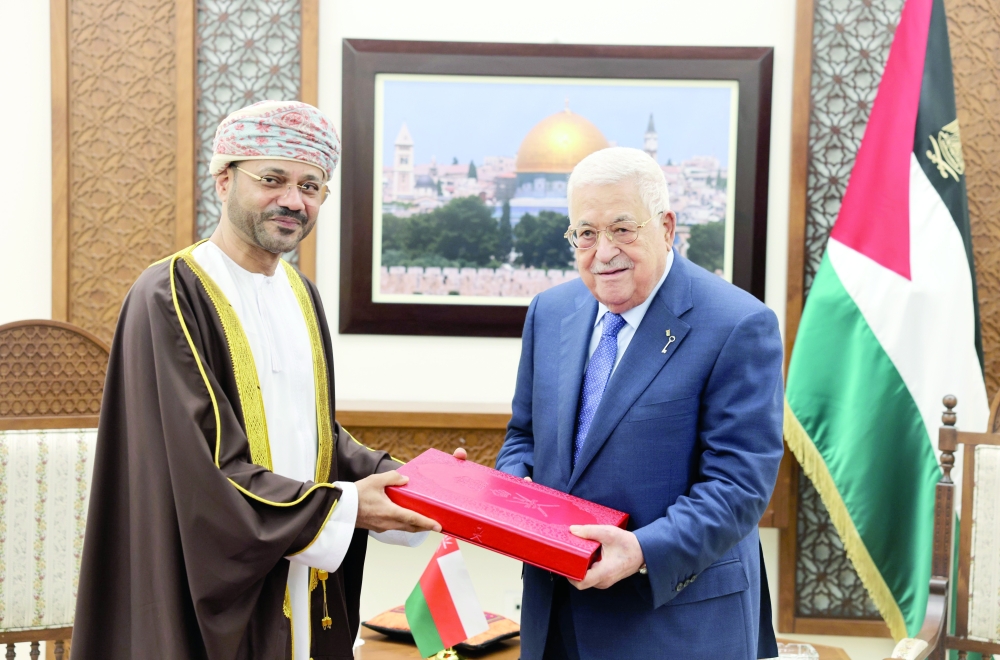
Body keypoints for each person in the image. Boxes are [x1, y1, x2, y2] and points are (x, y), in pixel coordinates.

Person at [72, 100, 450, 660]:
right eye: (272, 179)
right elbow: (202, 467)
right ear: (224, 180)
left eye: (310, 186)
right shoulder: (171, 292)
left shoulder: (300, 293)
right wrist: (343, 507)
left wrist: (413, 482)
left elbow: (313, 434)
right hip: (201, 583)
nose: (294, 201)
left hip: (297, 575)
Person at [495, 147, 783, 659]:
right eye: (586, 233)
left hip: (675, 627)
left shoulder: (738, 324)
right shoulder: (548, 311)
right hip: (554, 621)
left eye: (623, 229)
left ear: (666, 227)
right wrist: (510, 492)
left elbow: (738, 486)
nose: (603, 252)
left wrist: (642, 550)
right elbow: (524, 437)